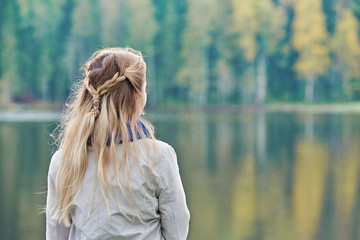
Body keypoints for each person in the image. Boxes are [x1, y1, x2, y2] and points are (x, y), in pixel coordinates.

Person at [46, 47, 190, 240]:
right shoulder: (159, 156)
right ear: (136, 96)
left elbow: (56, 233)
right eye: (144, 88)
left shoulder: (63, 159)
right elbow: (176, 229)